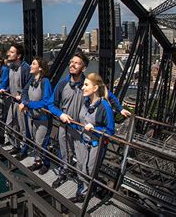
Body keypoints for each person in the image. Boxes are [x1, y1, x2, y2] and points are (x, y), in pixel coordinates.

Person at [48, 51, 130, 188]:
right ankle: (64, 172)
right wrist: (60, 114)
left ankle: (83, 183)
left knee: (82, 160)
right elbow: (51, 104)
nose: (72, 65)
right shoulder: (62, 84)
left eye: (77, 63)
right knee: (64, 152)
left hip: (81, 130)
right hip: (65, 125)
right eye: (71, 62)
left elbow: (107, 94)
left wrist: (120, 109)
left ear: (84, 68)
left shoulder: (89, 85)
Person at [69, 73, 115, 203]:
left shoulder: (104, 106)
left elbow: (111, 130)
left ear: (95, 88)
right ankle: (83, 192)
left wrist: (96, 129)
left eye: (86, 85)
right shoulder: (86, 102)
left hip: (96, 144)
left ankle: (87, 192)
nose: (83, 87)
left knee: (89, 170)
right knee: (81, 167)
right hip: (84, 141)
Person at [18, 58, 53, 175]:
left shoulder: (45, 82)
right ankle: (38, 162)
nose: (30, 66)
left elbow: (46, 102)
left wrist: (27, 104)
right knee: (35, 141)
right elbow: (24, 92)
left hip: (43, 119)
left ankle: (46, 163)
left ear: (40, 68)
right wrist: (24, 101)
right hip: (32, 117)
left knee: (41, 143)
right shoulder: (32, 79)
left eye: (33, 64)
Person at [0, 44, 33, 158]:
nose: (8, 53)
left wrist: (23, 98)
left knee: (23, 128)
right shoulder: (11, 67)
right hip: (13, 100)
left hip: (21, 103)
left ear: (18, 55)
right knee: (9, 124)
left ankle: (24, 150)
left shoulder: (25, 68)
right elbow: (12, 83)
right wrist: (6, 89)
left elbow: (29, 85)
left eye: (12, 52)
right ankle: (15, 144)